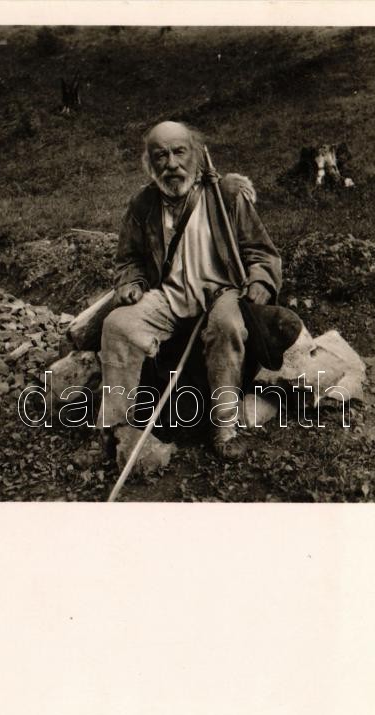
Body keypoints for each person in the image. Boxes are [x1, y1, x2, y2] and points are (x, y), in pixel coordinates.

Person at [98, 120, 282, 467]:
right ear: (149, 163)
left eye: (179, 152)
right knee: (117, 325)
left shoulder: (225, 194)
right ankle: (117, 428)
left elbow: (261, 252)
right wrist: (131, 283)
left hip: (221, 291)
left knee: (227, 326)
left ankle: (224, 428)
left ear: (195, 154)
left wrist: (260, 281)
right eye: (161, 156)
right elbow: (128, 259)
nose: (171, 164)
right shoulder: (143, 204)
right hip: (168, 296)